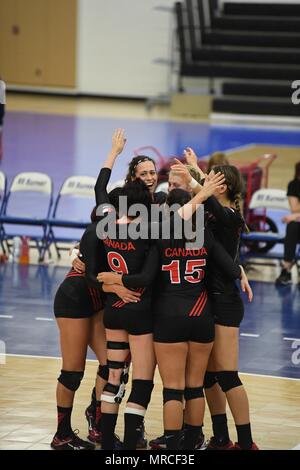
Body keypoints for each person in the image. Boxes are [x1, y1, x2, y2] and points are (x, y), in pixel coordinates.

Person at [99, 184, 252, 450]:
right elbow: (229, 268)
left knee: (172, 389)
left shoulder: (159, 237)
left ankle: (172, 448)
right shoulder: (204, 235)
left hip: (168, 316)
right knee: (195, 387)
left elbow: (146, 277)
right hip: (201, 314)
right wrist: (241, 272)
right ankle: (193, 443)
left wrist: (115, 279)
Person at [163, 157, 259, 450]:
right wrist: (194, 169)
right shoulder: (211, 209)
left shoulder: (230, 214)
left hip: (225, 301)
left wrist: (194, 178)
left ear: (225, 186)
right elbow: (204, 196)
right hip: (204, 300)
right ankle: (220, 437)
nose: (206, 182)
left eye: (212, 179)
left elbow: (209, 198)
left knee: (228, 375)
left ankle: (246, 442)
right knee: (207, 377)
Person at [276, 161, 300, 285]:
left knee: (293, 221)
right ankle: (286, 268)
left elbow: (295, 211)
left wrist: (296, 215)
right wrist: (296, 215)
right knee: (292, 226)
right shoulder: (294, 185)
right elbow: (294, 208)